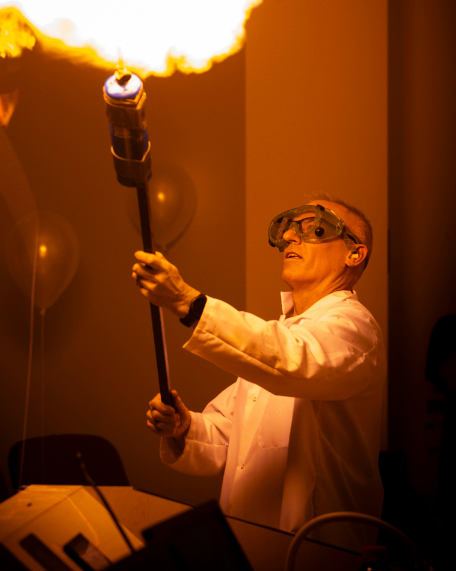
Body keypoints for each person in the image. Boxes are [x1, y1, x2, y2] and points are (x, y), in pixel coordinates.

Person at [131, 195, 386, 550]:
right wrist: (185, 426)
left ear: (354, 254)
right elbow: (228, 438)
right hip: (246, 548)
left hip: (316, 554)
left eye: (315, 228)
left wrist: (187, 302)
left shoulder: (355, 329)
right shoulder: (279, 337)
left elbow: (292, 361)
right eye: (291, 230)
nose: (293, 238)